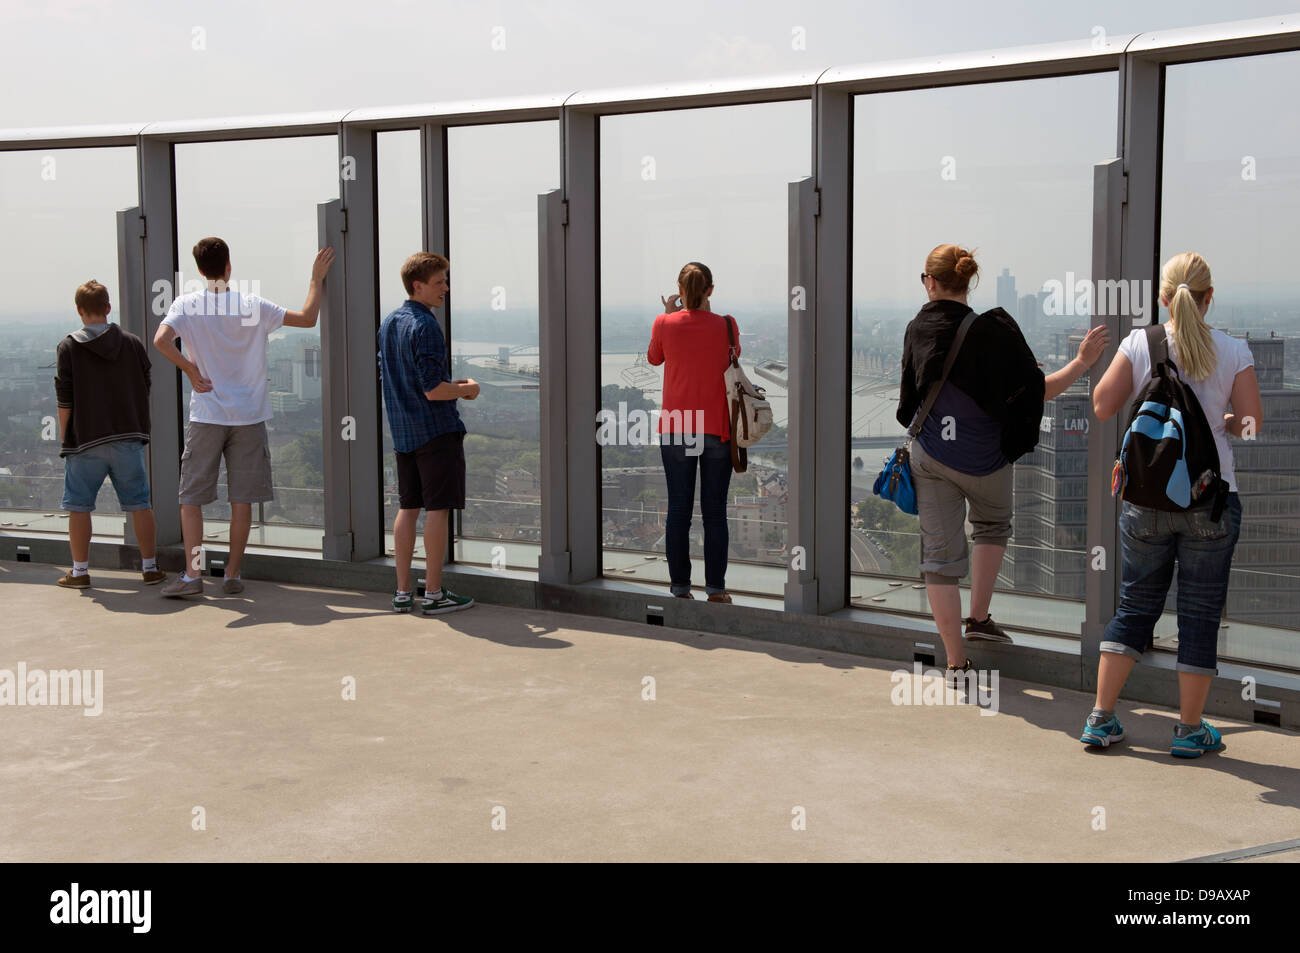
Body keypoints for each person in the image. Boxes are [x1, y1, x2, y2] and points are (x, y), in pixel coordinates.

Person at [898, 244, 1107, 678]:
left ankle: (956, 663)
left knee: (939, 559)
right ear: (968, 282)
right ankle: (979, 619)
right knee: (992, 526)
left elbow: (907, 405)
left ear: (931, 282)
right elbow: (1037, 394)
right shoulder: (997, 332)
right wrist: (1083, 362)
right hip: (986, 459)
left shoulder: (917, 328)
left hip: (933, 457)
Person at [1082, 252, 1261, 758]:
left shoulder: (1141, 343)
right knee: (1200, 614)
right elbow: (1252, 424)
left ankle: (1101, 719)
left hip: (1145, 498)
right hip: (1210, 500)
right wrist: (1222, 421)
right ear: (1209, 297)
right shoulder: (1233, 350)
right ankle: (1187, 731)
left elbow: (1101, 405)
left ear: (1162, 297)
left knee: (1136, 604)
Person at [153, 237, 335, 598]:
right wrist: (316, 279)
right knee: (242, 500)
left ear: (200, 269)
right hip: (249, 416)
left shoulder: (187, 304)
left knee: (191, 497)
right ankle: (232, 574)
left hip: (206, 413)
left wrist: (189, 369)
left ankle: (193, 575)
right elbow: (307, 317)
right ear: (229, 265)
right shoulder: (251, 305)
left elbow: (160, 340)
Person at [378, 252, 477, 615]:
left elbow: (388, 377)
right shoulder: (427, 326)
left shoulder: (389, 323)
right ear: (417, 285)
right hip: (436, 432)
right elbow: (433, 389)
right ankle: (433, 594)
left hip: (403, 433)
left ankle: (403, 592)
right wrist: (467, 389)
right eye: (439, 283)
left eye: (446, 281)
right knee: (438, 511)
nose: (445, 289)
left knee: (408, 508)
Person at [53, 280, 165, 589]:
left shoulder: (69, 347)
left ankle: (79, 571)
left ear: (79, 311)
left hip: (86, 439)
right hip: (127, 436)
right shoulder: (132, 343)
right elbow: (145, 385)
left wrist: (67, 437)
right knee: (140, 504)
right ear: (108, 308)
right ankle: (150, 567)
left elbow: (65, 399)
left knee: (78, 506)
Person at [647, 262, 739, 603]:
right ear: (711, 290)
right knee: (715, 512)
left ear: (680, 290)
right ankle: (715, 590)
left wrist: (670, 313)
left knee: (679, 510)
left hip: (676, 428)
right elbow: (733, 358)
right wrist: (707, 314)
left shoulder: (664, 323)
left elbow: (654, 358)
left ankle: (680, 589)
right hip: (717, 428)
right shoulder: (727, 326)